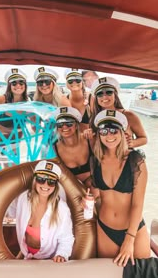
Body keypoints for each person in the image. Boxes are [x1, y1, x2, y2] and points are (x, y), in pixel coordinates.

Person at [91, 109, 151, 266]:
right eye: (104, 131)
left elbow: (138, 204)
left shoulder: (136, 161)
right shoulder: (95, 160)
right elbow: (99, 193)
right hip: (105, 229)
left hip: (133, 230)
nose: (109, 136)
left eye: (113, 130)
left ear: (122, 132)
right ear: (99, 134)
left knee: (143, 272)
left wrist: (129, 240)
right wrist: (88, 197)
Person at [9, 160, 74, 261]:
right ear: (35, 180)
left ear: (56, 185)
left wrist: (61, 254)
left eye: (51, 182)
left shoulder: (62, 209)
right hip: (27, 256)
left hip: (49, 261)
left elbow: (66, 239)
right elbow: (10, 211)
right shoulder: (23, 198)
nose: (45, 185)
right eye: (41, 179)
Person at [89, 76, 147, 148]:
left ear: (115, 95)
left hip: (125, 158)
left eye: (109, 92)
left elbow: (143, 138)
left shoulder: (129, 115)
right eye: (99, 94)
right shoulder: (94, 118)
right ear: (96, 98)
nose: (104, 97)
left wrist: (132, 143)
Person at [53, 106, 94, 192]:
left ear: (76, 125)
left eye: (69, 123)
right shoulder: (54, 148)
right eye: (60, 124)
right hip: (73, 191)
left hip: (95, 187)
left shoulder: (89, 139)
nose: (64, 127)